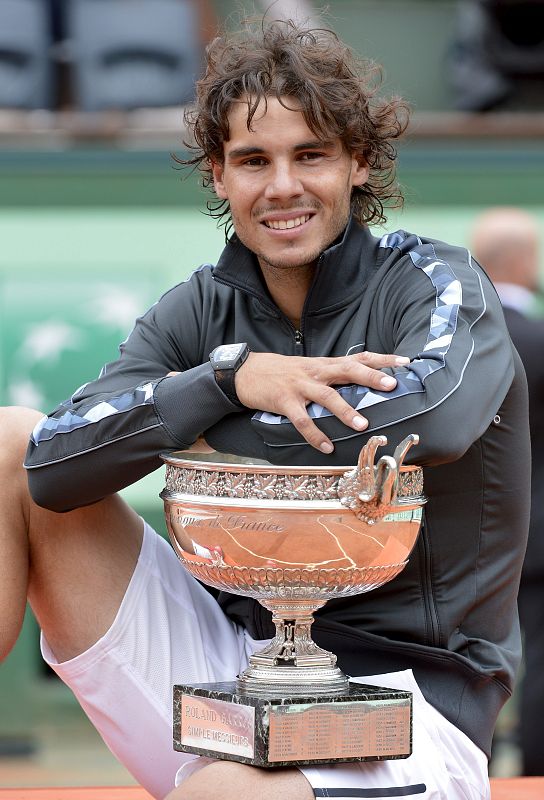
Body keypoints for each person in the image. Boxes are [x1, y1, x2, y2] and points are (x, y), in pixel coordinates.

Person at [0, 20, 530, 800]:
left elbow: (436, 423)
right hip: (226, 672)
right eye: (254, 160)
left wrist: (208, 424)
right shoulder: (198, 311)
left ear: (357, 162)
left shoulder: (438, 284)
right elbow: (52, 465)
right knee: (10, 440)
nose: (282, 186)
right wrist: (228, 381)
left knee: (226, 792)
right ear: (219, 175)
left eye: (310, 154)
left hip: (413, 704)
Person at [471, 207, 544, 777]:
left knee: (467, 661)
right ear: (524, 262)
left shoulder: (455, 347)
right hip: (539, 534)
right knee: (539, 663)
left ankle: (466, 768)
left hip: (464, 537)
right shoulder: (540, 340)